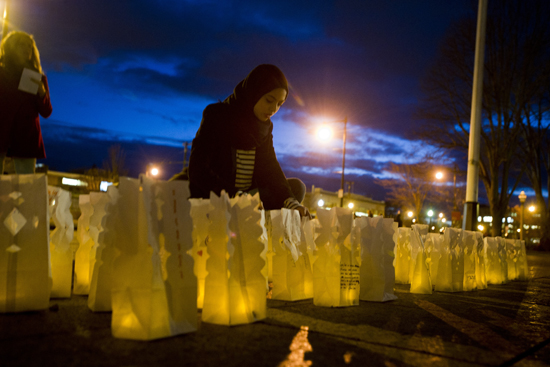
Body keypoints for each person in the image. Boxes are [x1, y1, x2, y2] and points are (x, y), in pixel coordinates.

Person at [189, 64, 310, 217]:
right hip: (219, 198)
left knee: (296, 189)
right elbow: (198, 170)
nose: (273, 109)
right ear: (254, 92)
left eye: (279, 104)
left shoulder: (265, 128)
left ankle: (260, 222)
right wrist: (236, 196)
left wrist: (291, 203)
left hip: (250, 199)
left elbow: (271, 168)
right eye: (269, 100)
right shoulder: (217, 116)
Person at [0, 31, 52, 174]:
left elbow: (47, 112)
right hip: (1, 133)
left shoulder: (36, 77)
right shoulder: (2, 73)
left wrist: (41, 92)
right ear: (11, 48)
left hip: (26, 139)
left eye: (29, 46)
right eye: (21, 45)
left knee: (26, 188)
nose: (26, 49)